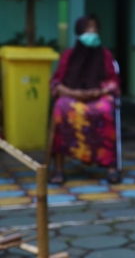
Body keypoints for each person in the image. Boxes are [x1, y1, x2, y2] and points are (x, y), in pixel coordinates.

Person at [50, 15, 121, 185]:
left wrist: (100, 91)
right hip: (72, 95)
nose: (92, 31)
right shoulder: (68, 55)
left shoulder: (105, 54)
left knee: (105, 109)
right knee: (61, 108)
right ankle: (59, 168)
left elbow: (113, 81)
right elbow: (57, 82)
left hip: (97, 95)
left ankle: (111, 166)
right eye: (88, 28)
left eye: (95, 28)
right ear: (79, 32)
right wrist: (72, 93)